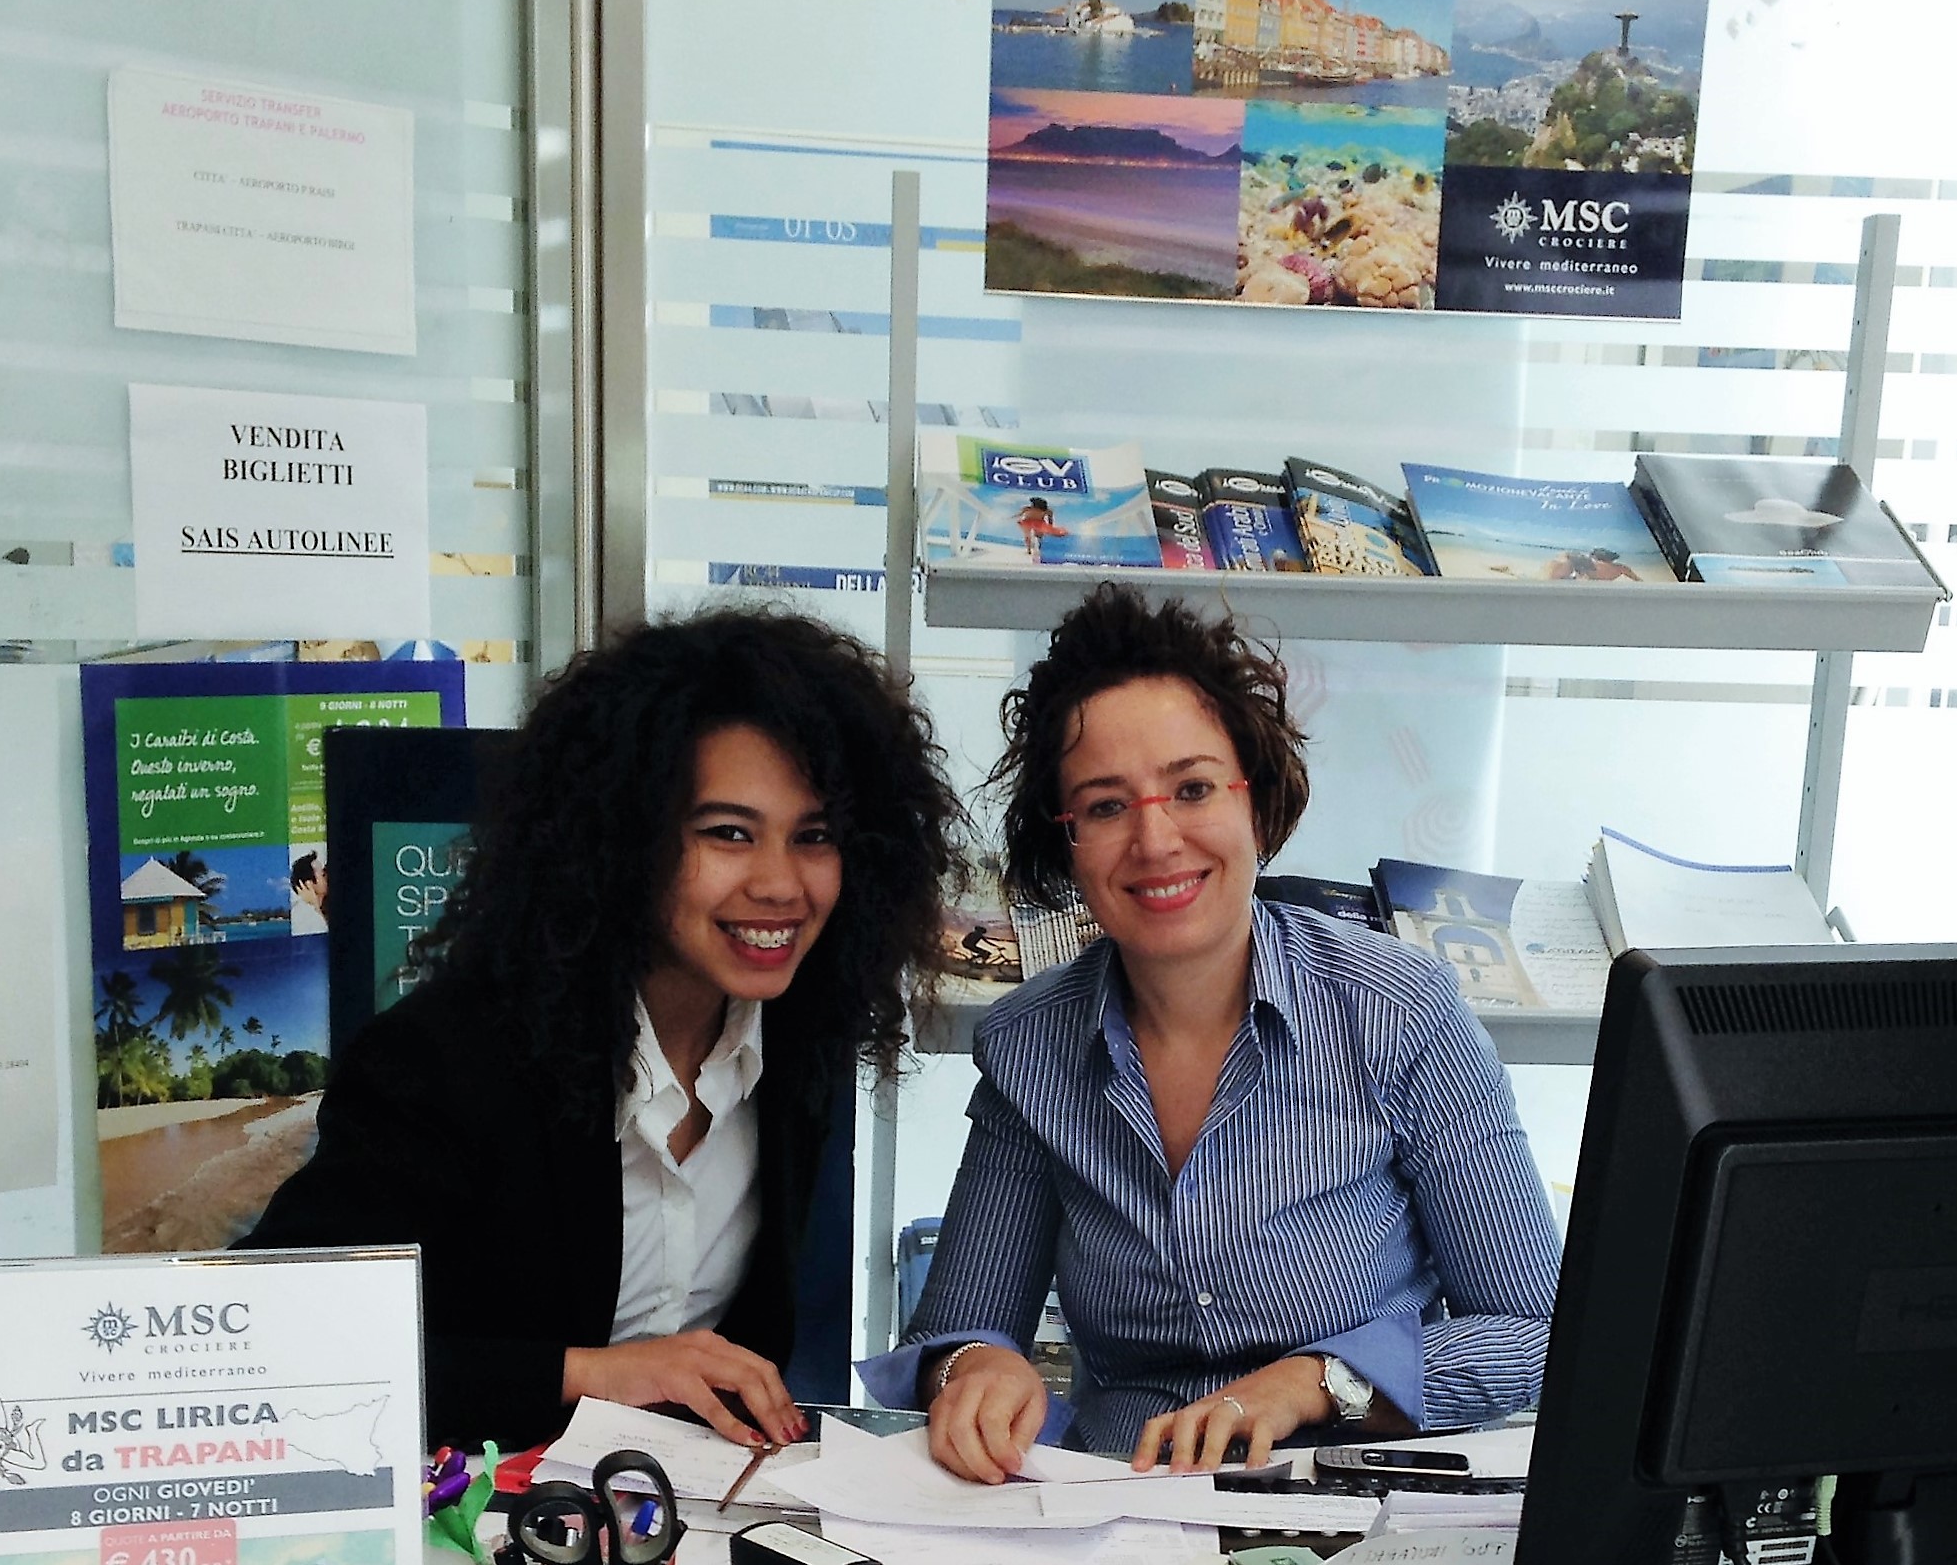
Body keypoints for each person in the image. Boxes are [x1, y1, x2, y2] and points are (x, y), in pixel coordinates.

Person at [862, 585, 1562, 1483]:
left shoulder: (1401, 1010)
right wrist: (975, 1367)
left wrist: (1317, 1382)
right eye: (1105, 807)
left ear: (1256, 803)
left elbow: (1537, 1331)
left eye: (1192, 789)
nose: (1155, 841)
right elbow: (956, 1329)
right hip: (1123, 1503)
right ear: (1064, 843)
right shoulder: (1028, 1045)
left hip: (1355, 1499)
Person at [245, 607, 960, 1452]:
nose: (780, 884)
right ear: (622, 837)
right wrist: (586, 1374)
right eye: (728, 834)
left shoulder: (800, 1039)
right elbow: (280, 1342)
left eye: (815, 837)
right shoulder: (444, 1062)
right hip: (471, 1514)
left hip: (679, 1511)